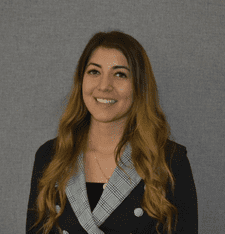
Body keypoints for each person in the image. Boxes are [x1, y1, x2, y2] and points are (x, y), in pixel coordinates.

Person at [26, 30, 198, 234]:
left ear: (139, 86)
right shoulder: (51, 156)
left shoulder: (169, 160)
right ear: (81, 80)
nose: (104, 86)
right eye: (94, 72)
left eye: (120, 74)